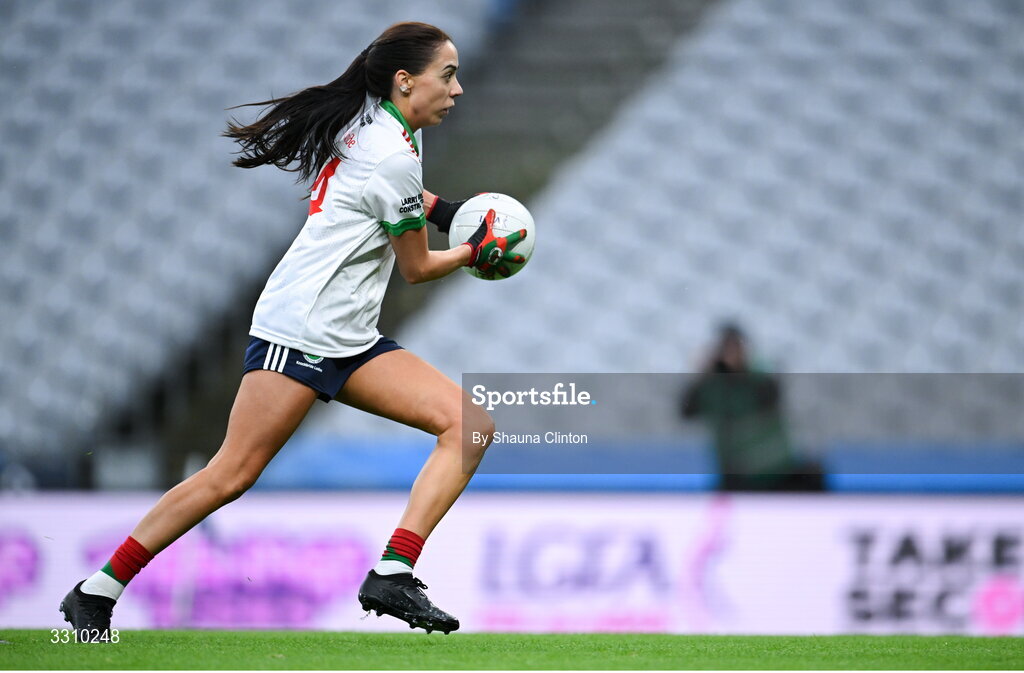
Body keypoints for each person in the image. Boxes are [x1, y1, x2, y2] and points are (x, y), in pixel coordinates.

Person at [60, 22, 527, 639]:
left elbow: (391, 191)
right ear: (404, 80)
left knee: (469, 426)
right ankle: (96, 591)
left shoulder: (382, 126)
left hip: (349, 334)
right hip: (301, 330)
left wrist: (445, 211)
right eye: (448, 75)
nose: (458, 88)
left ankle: (392, 572)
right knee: (231, 474)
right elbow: (416, 269)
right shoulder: (391, 151)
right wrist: (478, 249)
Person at [681, 322, 824, 492]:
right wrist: (702, 375)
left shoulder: (759, 378)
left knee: (814, 474)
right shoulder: (709, 387)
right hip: (738, 475)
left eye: (735, 347)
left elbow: (771, 395)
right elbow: (686, 411)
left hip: (777, 470)